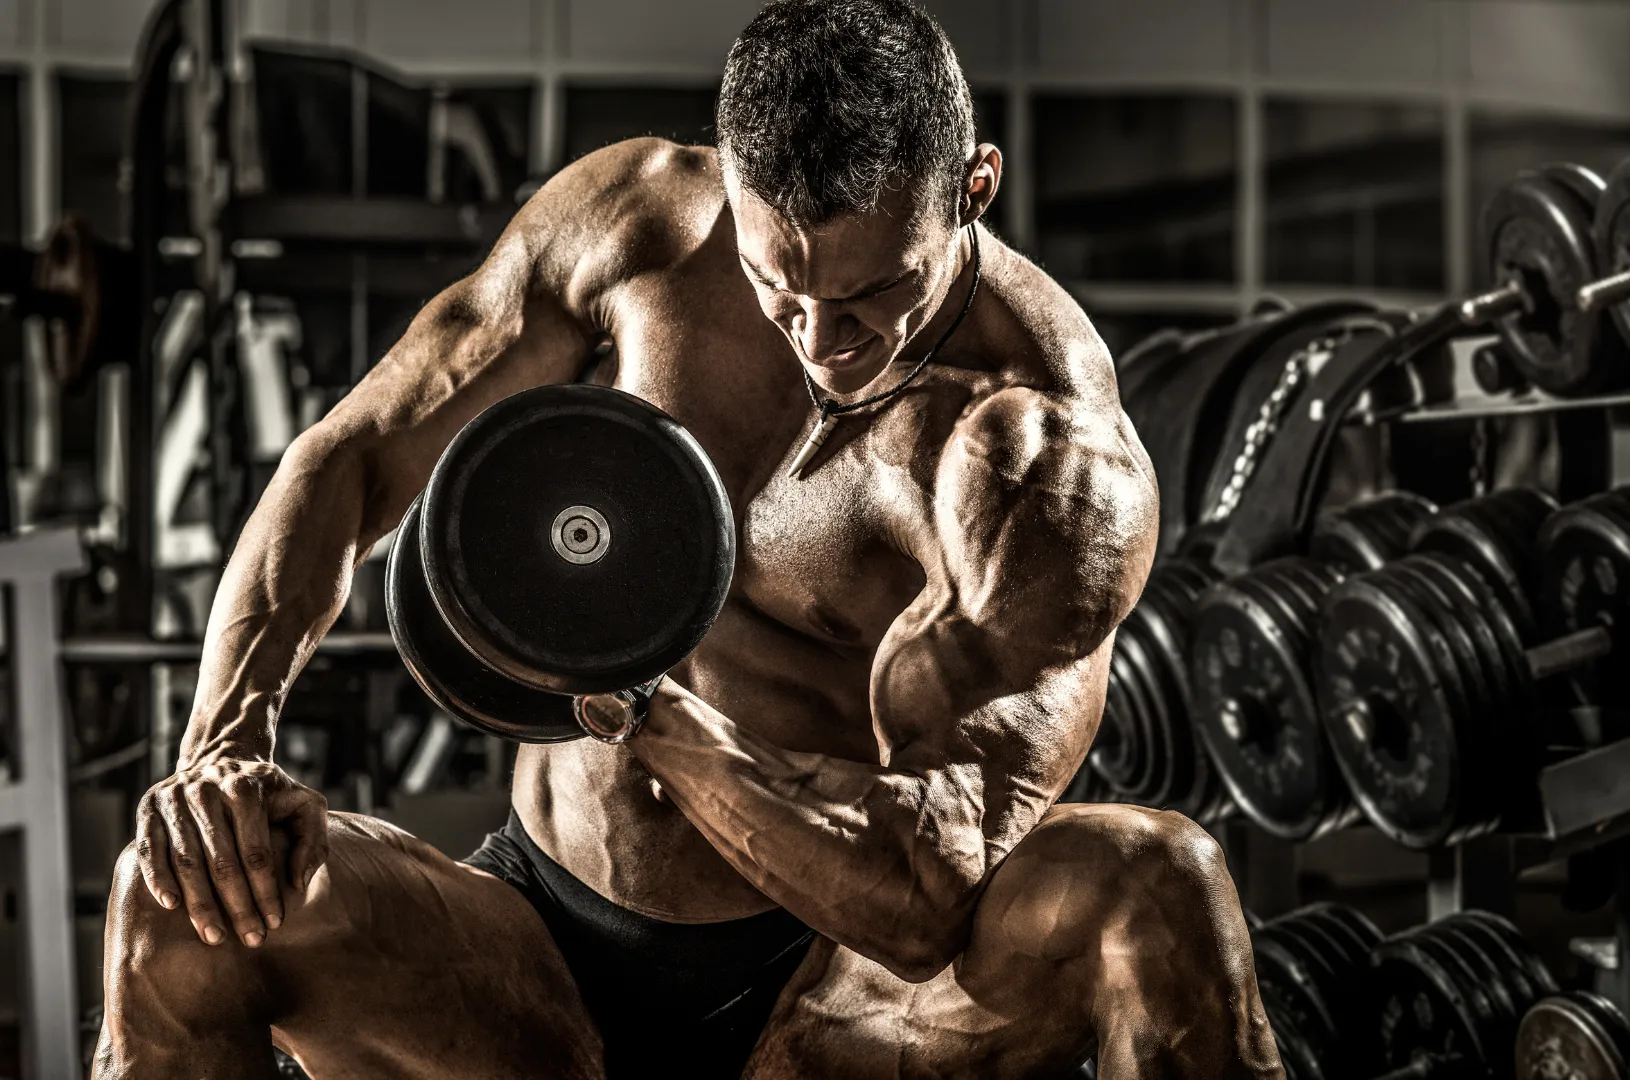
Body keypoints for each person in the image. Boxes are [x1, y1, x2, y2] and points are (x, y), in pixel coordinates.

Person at [96, 2, 1281, 1077]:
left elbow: (923, 896)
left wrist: (641, 706)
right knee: (180, 896)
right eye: (781, 290)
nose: (823, 341)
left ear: (973, 186)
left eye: (874, 296)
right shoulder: (639, 231)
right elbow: (351, 460)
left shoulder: (1037, 455)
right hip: (533, 949)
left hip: (837, 995)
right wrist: (221, 747)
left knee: (1161, 888)